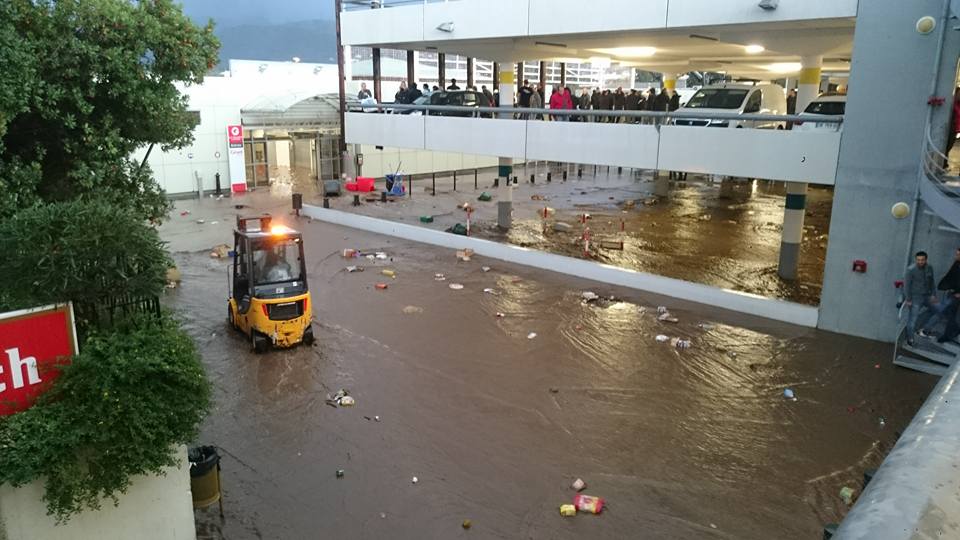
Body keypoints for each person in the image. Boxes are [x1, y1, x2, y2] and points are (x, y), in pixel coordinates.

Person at [904, 251, 940, 344]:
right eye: (918, 260)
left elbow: (932, 282)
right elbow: (907, 285)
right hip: (916, 297)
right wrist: (908, 299)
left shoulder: (929, 267)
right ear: (916, 260)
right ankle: (910, 339)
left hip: (927, 296)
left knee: (940, 310)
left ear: (926, 260)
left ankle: (924, 329)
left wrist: (933, 295)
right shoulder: (911, 270)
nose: (920, 262)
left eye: (922, 260)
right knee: (912, 319)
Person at [934, 248, 960, 343]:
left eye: (958, 255)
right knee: (948, 313)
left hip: (956, 295)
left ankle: (949, 334)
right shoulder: (956, 264)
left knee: (946, 311)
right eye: (956, 254)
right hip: (952, 293)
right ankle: (953, 330)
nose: (956, 256)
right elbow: (951, 277)